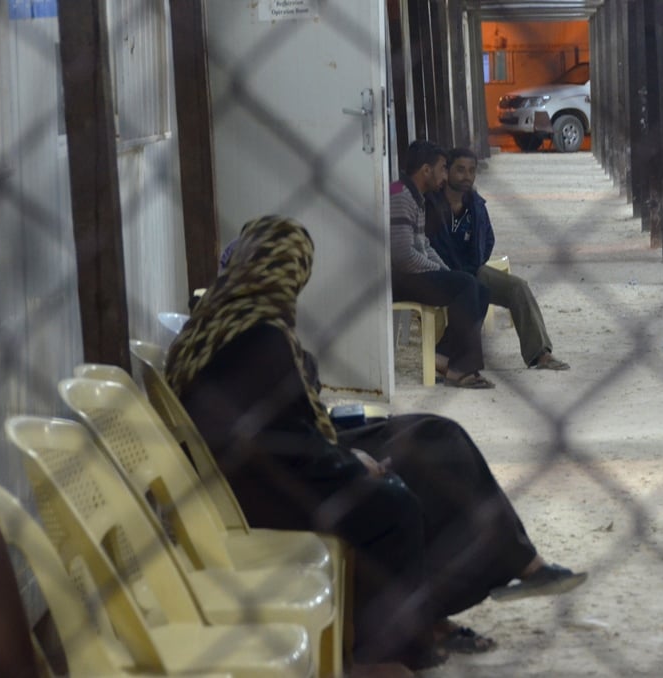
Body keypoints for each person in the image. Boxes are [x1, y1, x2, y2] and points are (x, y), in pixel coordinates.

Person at [164, 216, 587, 676]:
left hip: (270, 462)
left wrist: (342, 452)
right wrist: (352, 464)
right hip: (268, 481)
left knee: (434, 434)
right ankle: (394, 651)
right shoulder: (258, 337)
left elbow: (284, 426)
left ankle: (486, 580)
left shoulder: (225, 318)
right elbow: (282, 447)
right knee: (399, 498)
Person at [426, 147, 570, 371]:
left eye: (472, 171)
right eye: (460, 170)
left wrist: (477, 263)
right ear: (447, 171)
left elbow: (488, 238)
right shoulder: (431, 204)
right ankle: (452, 356)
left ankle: (540, 354)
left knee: (518, 287)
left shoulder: (476, 205)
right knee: (471, 289)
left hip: (474, 269)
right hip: (442, 271)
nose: (466, 176)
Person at [390, 140, 495, 389]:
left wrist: (447, 272)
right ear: (426, 170)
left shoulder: (418, 196)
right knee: (464, 285)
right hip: (398, 278)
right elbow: (402, 256)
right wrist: (439, 272)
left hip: (412, 273)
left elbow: (424, 244)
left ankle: (443, 356)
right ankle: (462, 369)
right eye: (443, 168)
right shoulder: (400, 195)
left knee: (479, 289)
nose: (445, 175)